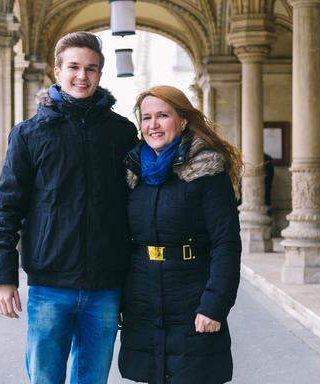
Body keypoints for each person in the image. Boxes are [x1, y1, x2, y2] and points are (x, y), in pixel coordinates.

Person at [0, 31, 138, 384]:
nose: (82, 76)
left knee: (91, 379)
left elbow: (139, 202)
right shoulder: (29, 133)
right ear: (57, 70)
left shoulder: (121, 132)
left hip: (105, 284)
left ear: (100, 74)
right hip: (50, 283)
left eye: (91, 68)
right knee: (45, 378)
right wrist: (3, 277)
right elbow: (7, 208)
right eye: (74, 67)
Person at [118, 85, 242, 384]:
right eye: (147, 117)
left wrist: (215, 305)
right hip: (143, 297)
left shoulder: (206, 171)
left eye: (163, 115)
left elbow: (226, 243)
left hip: (192, 295)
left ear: (183, 120)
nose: (153, 125)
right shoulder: (133, 171)